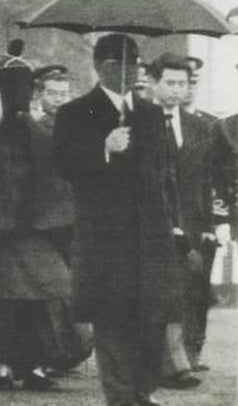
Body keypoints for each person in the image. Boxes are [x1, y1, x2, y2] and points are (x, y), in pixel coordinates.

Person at [53, 34, 183, 406]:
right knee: (112, 318)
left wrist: (173, 223)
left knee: (151, 318)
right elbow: (63, 164)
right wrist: (103, 150)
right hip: (105, 237)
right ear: (100, 67)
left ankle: (142, 389)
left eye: (135, 64)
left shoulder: (151, 113)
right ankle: (121, 396)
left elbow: (163, 174)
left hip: (150, 235)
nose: (130, 72)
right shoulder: (75, 112)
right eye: (120, 64)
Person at [0, 61, 76, 391]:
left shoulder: (39, 133)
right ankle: (1, 364)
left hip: (34, 229)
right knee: (1, 302)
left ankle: (35, 362)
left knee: (46, 293)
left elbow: (55, 180)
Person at [147, 54, 211, 387]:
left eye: (182, 84)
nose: (176, 90)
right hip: (151, 222)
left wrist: (211, 226)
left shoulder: (199, 127)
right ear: (154, 83)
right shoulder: (139, 122)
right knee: (161, 291)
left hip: (191, 223)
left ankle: (175, 359)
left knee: (185, 291)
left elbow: (206, 179)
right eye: (169, 83)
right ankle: (173, 364)